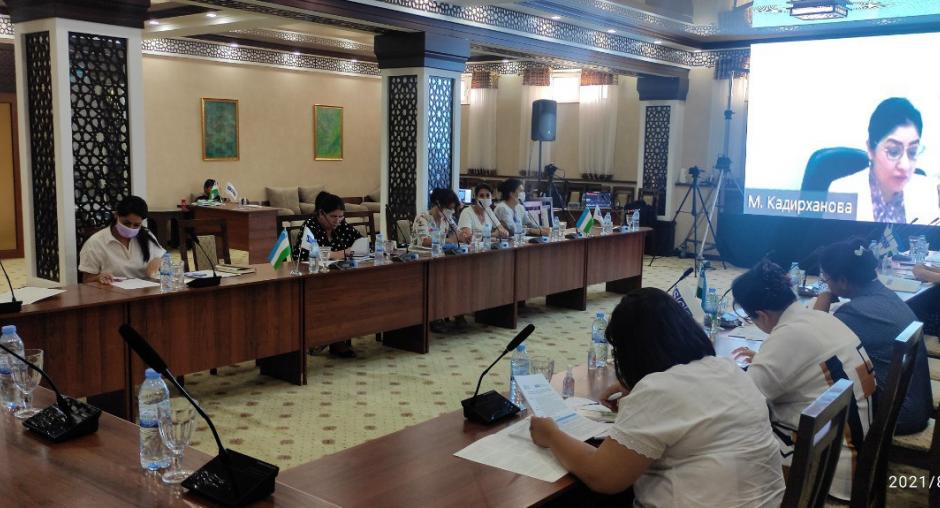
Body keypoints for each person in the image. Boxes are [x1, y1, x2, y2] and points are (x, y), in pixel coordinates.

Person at [529, 288, 785, 506]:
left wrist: (551, 435)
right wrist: (637, 393)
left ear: (633, 352)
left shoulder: (659, 390)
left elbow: (602, 477)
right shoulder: (726, 369)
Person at [731, 260, 875, 501]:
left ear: (762, 315)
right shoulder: (819, 318)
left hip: (831, 466)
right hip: (857, 450)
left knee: (726, 441)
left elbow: (743, 403)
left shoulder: (787, 337)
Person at [813, 239, 932, 434]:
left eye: (826, 280)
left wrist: (823, 298)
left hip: (898, 416)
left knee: (814, 393)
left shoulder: (854, 313)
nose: (827, 285)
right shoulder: (885, 294)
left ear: (842, 281)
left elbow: (812, 343)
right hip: (915, 405)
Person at [829, 98, 939, 223]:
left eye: (912, 152)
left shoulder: (929, 191)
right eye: (893, 151)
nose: (905, 165)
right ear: (870, 149)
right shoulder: (841, 193)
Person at [79, 195, 166, 285]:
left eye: (136, 225)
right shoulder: (96, 242)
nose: (131, 228)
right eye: (126, 223)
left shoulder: (146, 235)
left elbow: (163, 257)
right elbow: (86, 281)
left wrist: (157, 262)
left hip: (146, 290)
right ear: (116, 215)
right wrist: (99, 278)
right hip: (113, 292)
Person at [296, 191, 362, 262]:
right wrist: (340, 253)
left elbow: (363, 244)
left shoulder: (342, 224)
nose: (337, 221)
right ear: (321, 213)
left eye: (340, 216)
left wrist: (331, 254)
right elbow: (307, 255)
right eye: (333, 216)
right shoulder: (310, 226)